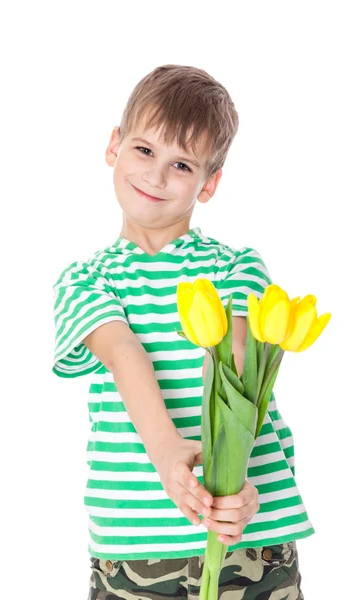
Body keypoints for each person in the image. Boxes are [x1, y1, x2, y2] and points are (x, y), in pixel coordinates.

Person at [52, 64, 309, 599]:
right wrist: (169, 452)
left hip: (249, 530)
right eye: (145, 151)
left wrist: (232, 485)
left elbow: (235, 359)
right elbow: (124, 355)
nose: (156, 175)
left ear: (208, 183)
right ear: (114, 146)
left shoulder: (238, 267)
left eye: (182, 164)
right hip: (137, 546)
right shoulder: (86, 278)